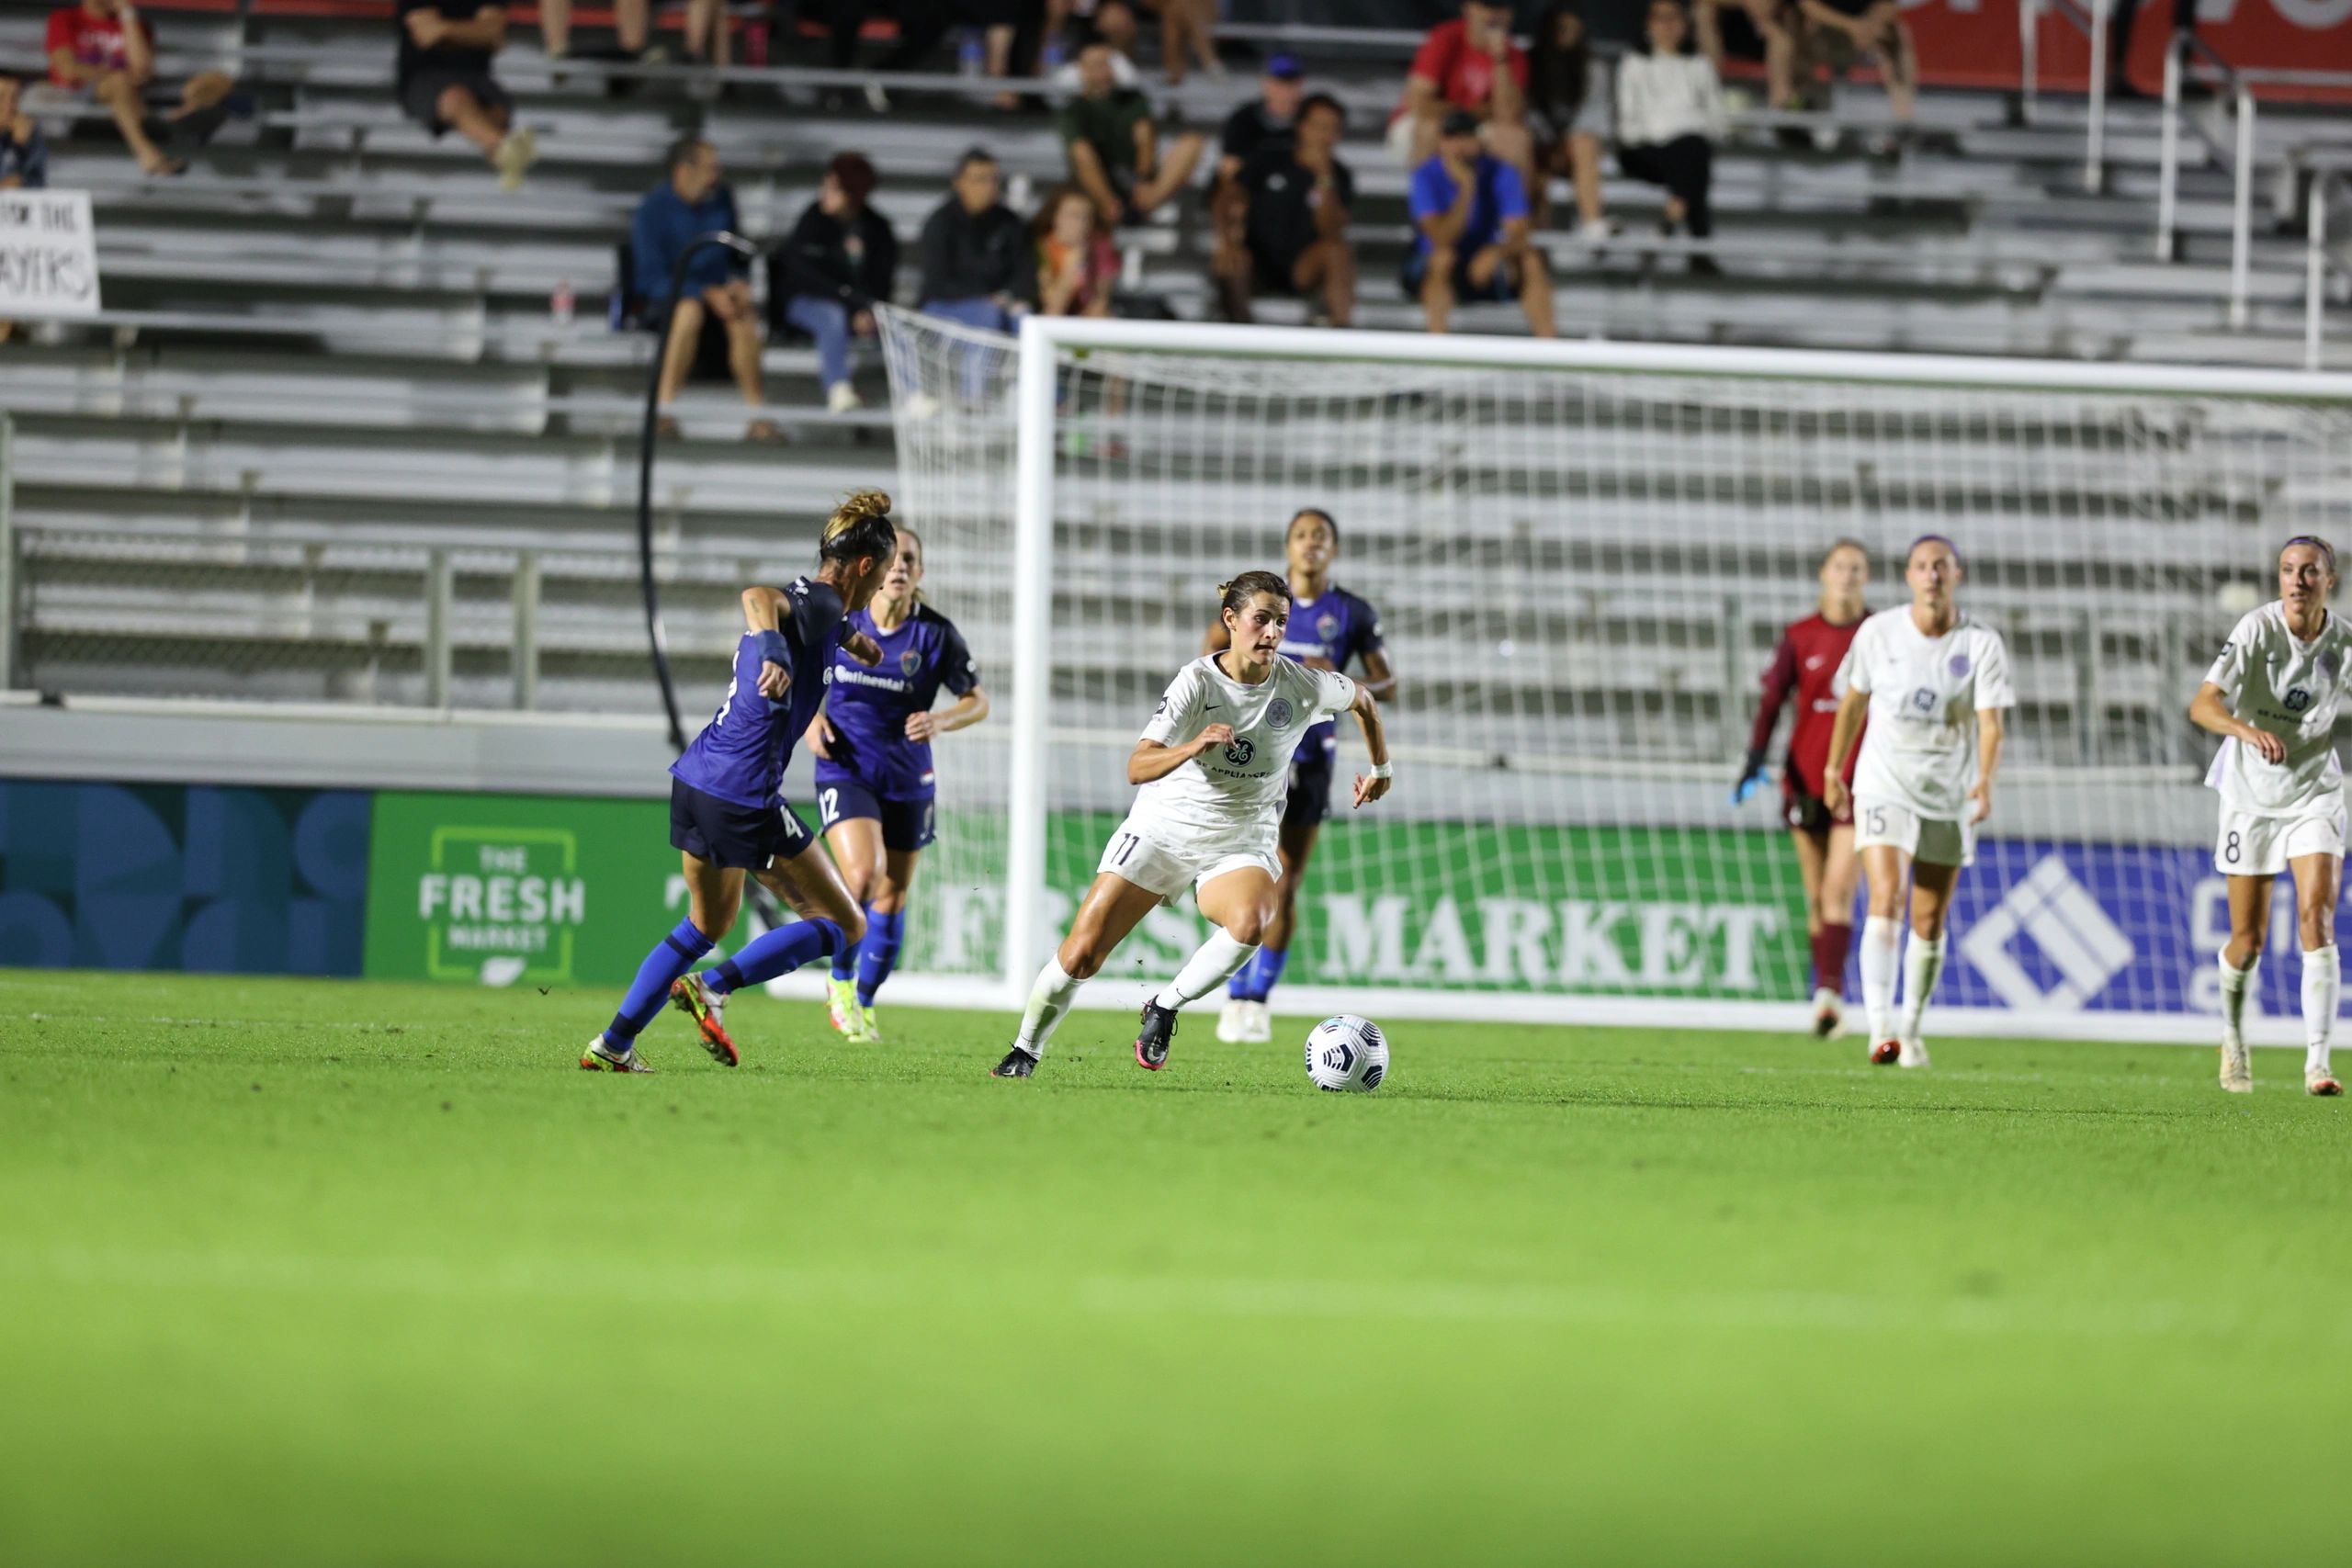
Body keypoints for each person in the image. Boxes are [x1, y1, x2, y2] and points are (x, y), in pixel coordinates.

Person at [993, 570, 1391, 1078]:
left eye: (1281, 622)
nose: (1272, 632)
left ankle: (1164, 1007)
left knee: (1252, 921)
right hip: (1163, 829)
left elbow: (1365, 700)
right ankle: (1025, 1051)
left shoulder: (1303, 684)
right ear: (1231, 620)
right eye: (1261, 619)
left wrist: (1381, 769)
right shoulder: (1196, 682)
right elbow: (1137, 766)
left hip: (1239, 840)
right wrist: (1194, 744)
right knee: (1082, 954)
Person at [583, 492, 899, 1073]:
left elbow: (834, 626)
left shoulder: (831, 615)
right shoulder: (819, 604)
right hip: (745, 793)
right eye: (884, 569)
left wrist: (862, 645)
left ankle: (614, 1044)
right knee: (846, 925)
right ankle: (715, 988)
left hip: (698, 779)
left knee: (706, 923)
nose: (886, 582)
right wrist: (775, 654)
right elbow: (757, 597)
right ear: (864, 567)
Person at [1821, 536, 2013, 1071]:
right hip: (1883, 781)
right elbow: (1853, 701)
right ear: (1908, 576)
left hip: (1947, 791)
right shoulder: (1879, 633)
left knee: (1929, 920)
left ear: (1958, 575)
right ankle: (1880, 1027)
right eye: (1922, 567)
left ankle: (1910, 1028)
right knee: (1887, 895)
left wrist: (1984, 781)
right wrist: (1835, 768)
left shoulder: (1980, 644)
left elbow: (1991, 723)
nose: (1932, 576)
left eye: (1941, 567)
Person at [1204, 512, 1395, 1045]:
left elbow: (1387, 683)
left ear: (1333, 550)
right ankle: (1233, 991)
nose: (1311, 544)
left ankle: (1256, 1000)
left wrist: (1331, 676)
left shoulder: (1349, 611)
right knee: (1238, 875)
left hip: (1309, 759)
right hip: (1246, 752)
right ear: (1288, 545)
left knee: (1284, 884)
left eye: (1322, 537)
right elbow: (1208, 660)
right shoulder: (1257, 603)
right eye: (1302, 535)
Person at [807, 526, 989, 1043]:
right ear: (875, 567)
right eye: (893, 559)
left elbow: (978, 699)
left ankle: (864, 1000)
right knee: (863, 877)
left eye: (910, 559)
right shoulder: (843, 620)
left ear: (920, 573)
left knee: (892, 896)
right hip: (846, 767)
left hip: (908, 775)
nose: (900, 567)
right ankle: (840, 980)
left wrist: (941, 720)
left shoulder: (935, 634)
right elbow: (797, 671)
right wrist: (807, 722)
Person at [2188, 536, 2350, 1098]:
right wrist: (2246, 730)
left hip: (2315, 792)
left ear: (2329, 579)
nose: (2297, 580)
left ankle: (2318, 1064)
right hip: (2250, 794)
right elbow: (2203, 703)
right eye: (2287, 570)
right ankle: (2233, 1040)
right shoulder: (2257, 630)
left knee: (2316, 915)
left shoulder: (2345, 641)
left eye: (2309, 571)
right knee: (2247, 940)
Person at [1736, 539, 1869, 1039]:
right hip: (1803, 779)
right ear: (1823, 574)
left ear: (1867, 577)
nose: (1847, 576)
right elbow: (1772, 703)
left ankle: (1829, 996)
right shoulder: (1799, 636)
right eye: (1840, 567)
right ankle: (1825, 991)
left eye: (1856, 568)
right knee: (1816, 896)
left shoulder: (1877, 634)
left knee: (1839, 889)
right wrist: (1754, 759)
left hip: (1857, 782)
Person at [633, 138, 780, 443]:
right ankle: (664, 412)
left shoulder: (722, 199)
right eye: (710, 168)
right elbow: (650, 280)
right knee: (688, 311)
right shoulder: (651, 212)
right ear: (684, 170)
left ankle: (757, 416)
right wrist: (701, 292)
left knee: (743, 313)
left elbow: (737, 254)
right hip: (669, 303)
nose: (716, 175)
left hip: (717, 301)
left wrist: (738, 283)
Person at [1406, 108, 1556, 338]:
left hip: (1486, 260)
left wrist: (1497, 253)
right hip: (1435, 263)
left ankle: (1550, 345)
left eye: (1466, 137)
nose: (1460, 146)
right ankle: (1437, 342)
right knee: (1443, 258)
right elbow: (1440, 238)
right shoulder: (1425, 174)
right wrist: (1467, 188)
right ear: (1441, 142)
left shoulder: (1501, 171)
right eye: (1452, 138)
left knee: (1530, 260)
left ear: (1480, 141)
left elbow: (1519, 231)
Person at [46, 0, 237, 177]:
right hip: (83, 94)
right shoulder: (65, 18)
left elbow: (142, 69)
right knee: (119, 82)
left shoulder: (137, 24)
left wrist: (128, 15)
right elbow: (68, 69)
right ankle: (147, 152)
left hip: (135, 93)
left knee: (219, 79)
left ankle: (180, 116)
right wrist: (119, 75)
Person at [1212, 92, 1355, 328]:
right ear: (1301, 126)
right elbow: (1226, 197)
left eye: (1332, 128)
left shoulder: (1339, 175)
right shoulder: (1269, 158)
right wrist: (1227, 240)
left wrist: (1323, 178)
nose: (1324, 135)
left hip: (1303, 268)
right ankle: (1239, 332)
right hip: (1257, 261)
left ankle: (1342, 332)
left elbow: (1331, 231)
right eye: (1318, 126)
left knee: (1338, 252)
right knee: (1233, 259)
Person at [780, 152, 897, 415]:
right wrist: (851, 306)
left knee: (892, 321)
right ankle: (838, 388)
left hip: (857, 308)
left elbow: (881, 281)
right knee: (831, 316)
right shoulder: (812, 220)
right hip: (807, 305)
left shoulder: (878, 230)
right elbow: (805, 276)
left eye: (833, 188)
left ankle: (913, 393)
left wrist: (866, 309)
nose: (824, 193)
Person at [1616, 0, 1726, 274]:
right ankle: (1692, 241)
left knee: (1692, 150)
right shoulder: (1634, 63)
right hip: (1646, 149)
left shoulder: (1699, 64)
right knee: (1693, 156)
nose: (1668, 25)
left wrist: (1689, 132)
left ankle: (1672, 222)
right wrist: (1667, 135)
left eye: (1674, 18)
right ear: (1648, 24)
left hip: (1690, 148)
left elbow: (1716, 114)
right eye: (1661, 18)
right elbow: (1628, 121)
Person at [1387, 0, 1534, 197]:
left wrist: (1500, 59)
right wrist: (1471, 113)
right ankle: (1427, 217)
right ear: (1468, 9)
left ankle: (1512, 222)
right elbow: (1419, 102)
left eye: (1500, 9)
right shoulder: (1444, 38)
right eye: (1486, 7)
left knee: (1516, 138)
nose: (1493, 15)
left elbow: (1508, 116)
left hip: (1475, 126)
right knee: (1429, 128)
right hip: (1423, 123)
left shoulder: (1513, 56)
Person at [1057, 34, 1204, 226]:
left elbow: (1145, 137)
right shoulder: (1074, 109)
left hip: (1135, 180)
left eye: (1106, 63)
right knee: (1082, 154)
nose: (1103, 70)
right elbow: (1082, 155)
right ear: (1082, 71)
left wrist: (1142, 180)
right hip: (1097, 186)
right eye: (1096, 65)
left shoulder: (1132, 99)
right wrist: (1106, 198)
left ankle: (1144, 203)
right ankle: (1110, 206)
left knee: (1192, 143)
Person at [394, 0, 537, 189]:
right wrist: (475, 32)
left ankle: (505, 153)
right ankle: (504, 148)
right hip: (423, 78)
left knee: (498, 111)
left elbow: (494, 34)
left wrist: (444, 29)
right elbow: (426, 35)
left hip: (477, 78)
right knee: (456, 98)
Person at [917, 148, 1029, 334]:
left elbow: (1024, 275)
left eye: (993, 179)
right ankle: (980, 365)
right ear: (959, 183)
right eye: (980, 180)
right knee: (987, 314)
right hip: (946, 306)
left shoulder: (1010, 223)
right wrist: (985, 298)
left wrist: (1007, 297)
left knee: (1024, 318)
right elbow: (937, 283)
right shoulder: (941, 223)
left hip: (999, 304)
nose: (988, 187)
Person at [1528, 2, 1612, 240]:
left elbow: (1594, 117)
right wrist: (1549, 145)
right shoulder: (1530, 63)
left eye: (1573, 29)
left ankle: (1592, 222)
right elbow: (1528, 112)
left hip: (1573, 148)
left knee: (1584, 143)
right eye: (1561, 28)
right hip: (1539, 145)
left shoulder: (1593, 68)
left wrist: (1562, 146)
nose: (1567, 35)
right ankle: (1528, 242)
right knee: (1534, 170)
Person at [1796, 0, 1916, 129]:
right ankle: (1790, 111)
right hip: (1829, 24)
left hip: (1867, 25)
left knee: (1895, 34)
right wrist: (1852, 26)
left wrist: (1871, 25)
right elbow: (1807, 5)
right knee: (1797, 32)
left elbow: (1889, 5)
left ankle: (1904, 119)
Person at [1215, 51, 1303, 189]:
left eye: (1291, 84)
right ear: (1265, 84)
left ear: (1300, 86)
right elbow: (1230, 161)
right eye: (1279, 83)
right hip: (1252, 190)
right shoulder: (1244, 118)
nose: (1285, 91)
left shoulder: (1309, 120)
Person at [1030, 185, 1121, 319]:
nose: (1080, 223)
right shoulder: (1041, 248)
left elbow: (1100, 301)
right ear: (1055, 216)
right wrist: (1073, 262)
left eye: (1086, 217)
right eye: (1073, 215)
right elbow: (1053, 304)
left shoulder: (1100, 247)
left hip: (1085, 315)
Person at [1694, 0, 1801, 111]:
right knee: (1703, 12)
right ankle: (1707, 92)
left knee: (1783, 40)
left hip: (1768, 30)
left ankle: (1781, 102)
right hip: (1727, 33)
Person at [0, 73, 45, 190]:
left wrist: (19, 146)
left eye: (15, 97)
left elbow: (37, 182)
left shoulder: (29, 132)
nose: (8, 105)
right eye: (1, 97)